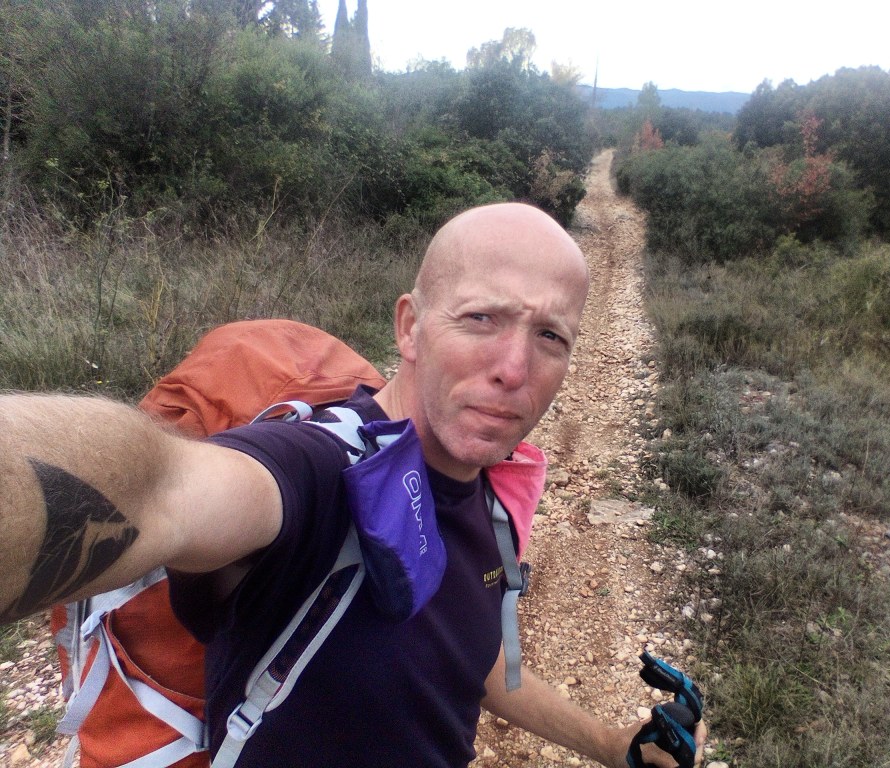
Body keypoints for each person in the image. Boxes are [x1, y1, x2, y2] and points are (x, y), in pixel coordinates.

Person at [0, 203, 707, 767]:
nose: (513, 368)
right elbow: (162, 491)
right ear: (410, 326)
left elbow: (474, 663)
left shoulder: (487, 500)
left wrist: (615, 746)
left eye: (550, 336)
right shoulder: (318, 470)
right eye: (482, 317)